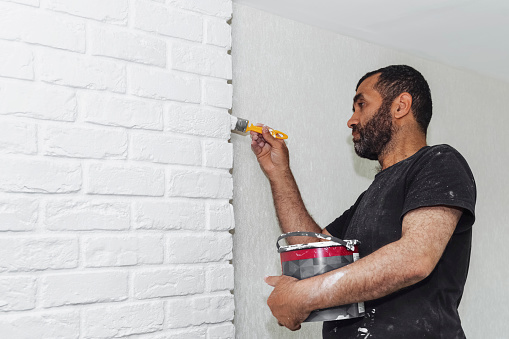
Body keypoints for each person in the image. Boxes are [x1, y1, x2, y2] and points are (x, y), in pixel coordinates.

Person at [250, 65, 476, 338]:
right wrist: (279, 173)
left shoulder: (438, 162)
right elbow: (313, 252)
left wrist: (303, 296)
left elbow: (415, 258)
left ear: (400, 106)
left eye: (361, 104)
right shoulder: (370, 196)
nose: (351, 120)